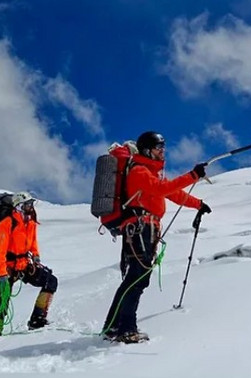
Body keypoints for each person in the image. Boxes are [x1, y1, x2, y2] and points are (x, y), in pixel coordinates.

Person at [101, 131, 212, 343]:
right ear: (146, 150)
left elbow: (174, 193)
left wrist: (198, 204)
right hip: (140, 227)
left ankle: (113, 326)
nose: (162, 152)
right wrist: (193, 176)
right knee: (138, 279)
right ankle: (126, 328)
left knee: (135, 278)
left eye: (163, 148)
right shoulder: (138, 170)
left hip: (144, 228)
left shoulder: (150, 173)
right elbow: (162, 189)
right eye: (158, 148)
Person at [0, 192, 58, 338]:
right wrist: (1, 273)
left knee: (51, 281)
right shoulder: (7, 223)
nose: (31, 207)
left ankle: (37, 320)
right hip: (7, 267)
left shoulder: (31, 223)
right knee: (1, 302)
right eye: (28, 204)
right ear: (19, 206)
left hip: (25, 265)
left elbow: (33, 242)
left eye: (31, 204)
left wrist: (36, 256)